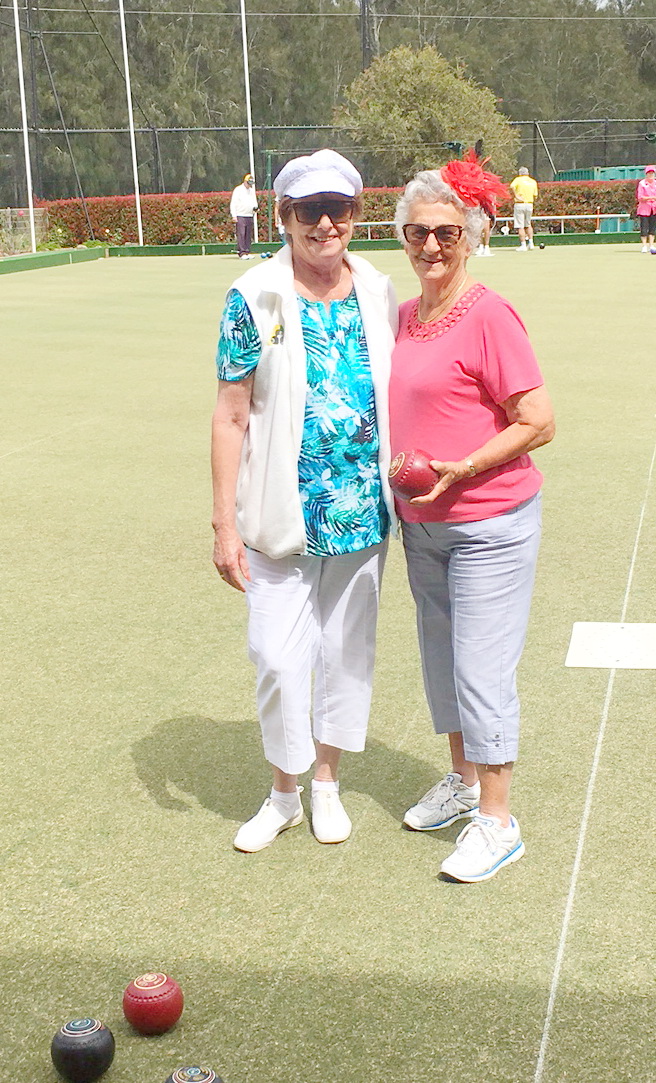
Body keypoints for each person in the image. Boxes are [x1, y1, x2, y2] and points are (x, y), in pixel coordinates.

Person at [212, 149, 398, 853]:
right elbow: (230, 415)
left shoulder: (378, 290)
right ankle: (283, 792)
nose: (325, 224)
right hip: (276, 515)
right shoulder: (253, 295)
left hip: (361, 513)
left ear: (354, 214)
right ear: (284, 217)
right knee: (277, 656)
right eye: (308, 211)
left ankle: (325, 783)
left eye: (339, 209)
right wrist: (223, 519)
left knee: (346, 654)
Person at [390, 153, 555, 883]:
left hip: (491, 521)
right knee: (440, 662)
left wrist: (466, 466)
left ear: (474, 236)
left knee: (481, 667)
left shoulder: (489, 313)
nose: (431, 247)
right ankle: (460, 781)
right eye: (418, 232)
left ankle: (497, 818)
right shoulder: (401, 316)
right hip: (421, 526)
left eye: (448, 234)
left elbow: (540, 420)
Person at [230, 173, 258, 259]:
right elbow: (233, 203)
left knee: (248, 235)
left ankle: (247, 251)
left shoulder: (251, 191)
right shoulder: (238, 190)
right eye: (249, 183)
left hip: (249, 215)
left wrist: (255, 208)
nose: (250, 185)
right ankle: (241, 253)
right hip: (240, 215)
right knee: (241, 234)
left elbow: (254, 201)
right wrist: (234, 215)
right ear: (245, 181)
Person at [510, 166, 538, 251]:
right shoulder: (533, 181)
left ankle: (523, 245)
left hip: (520, 204)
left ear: (520, 173)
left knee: (520, 226)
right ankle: (531, 243)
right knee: (528, 224)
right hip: (529, 204)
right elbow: (535, 196)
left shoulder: (518, 180)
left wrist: (516, 195)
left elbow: (512, 187)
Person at [636, 165, 656, 253]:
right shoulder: (642, 183)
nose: (651, 175)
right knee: (644, 227)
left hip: (654, 209)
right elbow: (640, 197)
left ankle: (652, 245)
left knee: (652, 228)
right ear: (646, 174)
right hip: (644, 209)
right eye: (649, 173)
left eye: (652, 173)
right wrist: (651, 198)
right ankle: (644, 246)